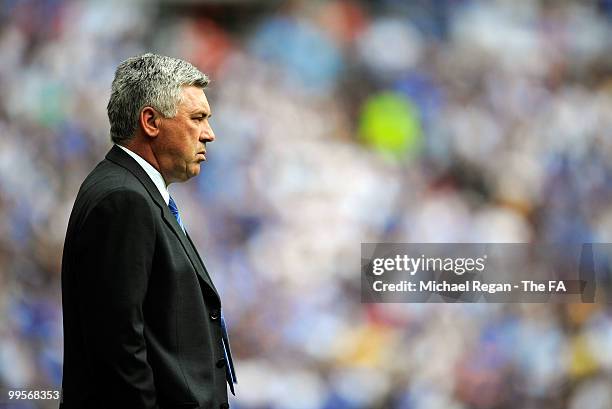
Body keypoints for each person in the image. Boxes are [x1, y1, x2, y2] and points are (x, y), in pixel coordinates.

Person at [60, 53, 236, 409]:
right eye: (197, 118)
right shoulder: (123, 199)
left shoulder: (133, 190)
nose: (210, 134)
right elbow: (118, 347)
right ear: (151, 121)